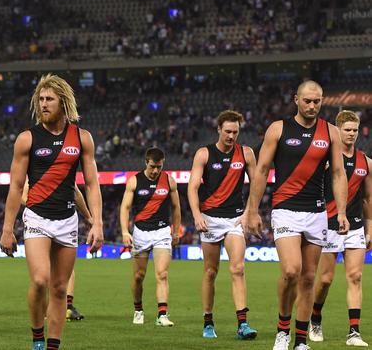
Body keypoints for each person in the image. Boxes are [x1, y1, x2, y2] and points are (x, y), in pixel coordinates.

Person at [243, 80, 350, 350]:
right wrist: (253, 210)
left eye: (317, 101)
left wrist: (342, 212)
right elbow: (262, 170)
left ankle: (300, 340)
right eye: (307, 101)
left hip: (317, 212)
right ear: (296, 100)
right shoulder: (278, 129)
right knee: (291, 271)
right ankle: (283, 330)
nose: (312, 106)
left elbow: (338, 173)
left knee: (308, 278)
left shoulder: (332, 132)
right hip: (285, 209)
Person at [0, 74, 103, 350]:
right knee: (40, 279)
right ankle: (37, 340)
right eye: (41, 100)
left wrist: (97, 223)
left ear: (63, 102)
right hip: (36, 218)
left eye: (49, 99)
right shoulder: (27, 139)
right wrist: (8, 228)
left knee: (59, 289)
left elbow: (92, 184)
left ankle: (52, 346)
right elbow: (15, 187)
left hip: (68, 221)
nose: (44, 104)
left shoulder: (82, 138)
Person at [187, 110, 258, 339]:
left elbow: (257, 185)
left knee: (238, 268)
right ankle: (208, 322)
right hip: (209, 219)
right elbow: (192, 187)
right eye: (227, 131)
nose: (231, 136)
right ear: (218, 129)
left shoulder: (246, 153)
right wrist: (197, 214)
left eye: (235, 132)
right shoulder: (204, 154)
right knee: (210, 271)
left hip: (234, 220)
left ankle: (243, 324)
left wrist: (249, 212)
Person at [309, 110, 372, 346]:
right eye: (347, 129)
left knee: (355, 277)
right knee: (325, 279)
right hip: (328, 225)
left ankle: (354, 332)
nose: (352, 134)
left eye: (355, 130)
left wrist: (370, 229)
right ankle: (315, 318)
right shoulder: (325, 160)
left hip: (355, 227)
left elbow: (368, 199)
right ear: (337, 130)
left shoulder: (365, 162)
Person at [120, 147, 181, 328]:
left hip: (162, 232)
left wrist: (176, 231)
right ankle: (138, 309)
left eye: (159, 167)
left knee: (162, 274)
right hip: (140, 234)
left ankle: (162, 314)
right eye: (153, 166)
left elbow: (176, 208)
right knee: (139, 276)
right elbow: (125, 208)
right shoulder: (134, 181)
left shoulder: (169, 181)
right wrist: (125, 231)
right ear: (146, 162)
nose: (156, 171)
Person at [22, 181, 92, 322]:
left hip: (63, 220)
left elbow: (75, 192)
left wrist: (88, 216)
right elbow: (22, 195)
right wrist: (42, 204)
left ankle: (67, 306)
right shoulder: (34, 171)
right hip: (40, 221)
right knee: (43, 273)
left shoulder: (64, 170)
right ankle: (47, 310)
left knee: (66, 268)